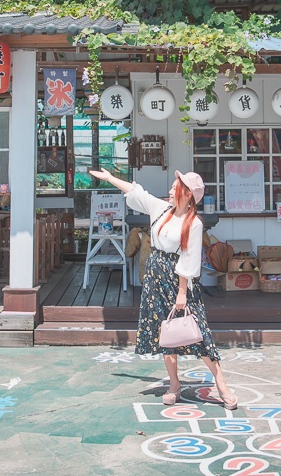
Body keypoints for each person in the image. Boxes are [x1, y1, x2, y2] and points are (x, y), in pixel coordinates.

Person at [88, 167, 237, 409]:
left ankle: (221, 384)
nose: (170, 189)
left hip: (178, 278)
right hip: (155, 275)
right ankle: (174, 384)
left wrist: (182, 292)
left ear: (187, 194)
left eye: (175, 185)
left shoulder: (195, 223)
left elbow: (189, 259)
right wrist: (110, 178)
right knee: (166, 333)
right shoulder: (161, 209)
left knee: (198, 332)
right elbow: (136, 192)